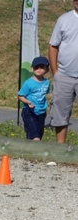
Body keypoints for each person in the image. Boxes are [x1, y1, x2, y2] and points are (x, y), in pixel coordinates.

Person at [48, 1, 78, 144]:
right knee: (60, 115)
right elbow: (53, 45)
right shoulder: (63, 19)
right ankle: (60, 150)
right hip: (64, 75)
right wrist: (56, 72)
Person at [18, 56, 51, 141]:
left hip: (41, 111)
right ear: (32, 69)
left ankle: (29, 150)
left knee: (39, 133)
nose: (39, 69)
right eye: (36, 67)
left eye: (42, 67)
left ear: (47, 69)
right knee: (34, 134)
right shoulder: (28, 83)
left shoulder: (46, 82)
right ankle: (34, 152)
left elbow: (44, 94)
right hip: (29, 111)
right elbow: (20, 96)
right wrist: (28, 102)